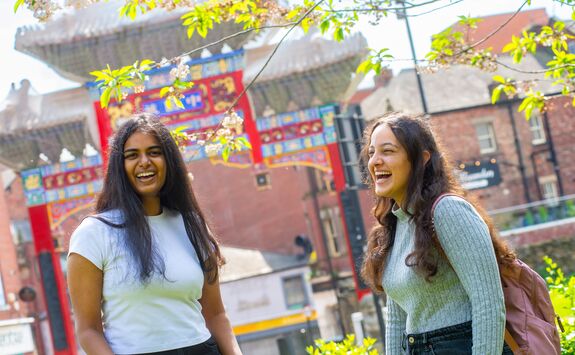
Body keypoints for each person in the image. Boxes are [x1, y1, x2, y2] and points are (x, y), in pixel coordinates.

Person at [67, 113, 242, 355]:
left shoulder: (191, 225)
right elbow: (88, 330)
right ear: (119, 167)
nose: (144, 162)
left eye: (154, 152)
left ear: (169, 161)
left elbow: (216, 315)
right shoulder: (94, 234)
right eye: (132, 155)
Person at [360, 113, 516, 355]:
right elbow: (396, 319)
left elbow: (489, 302)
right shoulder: (393, 226)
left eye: (388, 151)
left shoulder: (448, 211)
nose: (375, 162)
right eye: (371, 153)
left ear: (421, 159)